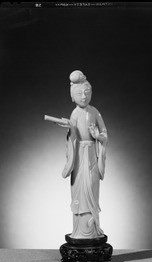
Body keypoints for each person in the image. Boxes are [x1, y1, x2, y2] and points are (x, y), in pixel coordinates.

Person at [58, 70, 108, 239]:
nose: (84, 96)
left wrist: (98, 137)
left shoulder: (95, 112)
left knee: (92, 189)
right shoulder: (75, 113)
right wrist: (70, 129)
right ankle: (79, 233)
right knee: (79, 190)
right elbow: (73, 135)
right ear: (72, 96)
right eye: (79, 93)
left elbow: (105, 133)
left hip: (92, 154)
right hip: (79, 156)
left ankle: (93, 231)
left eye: (87, 92)